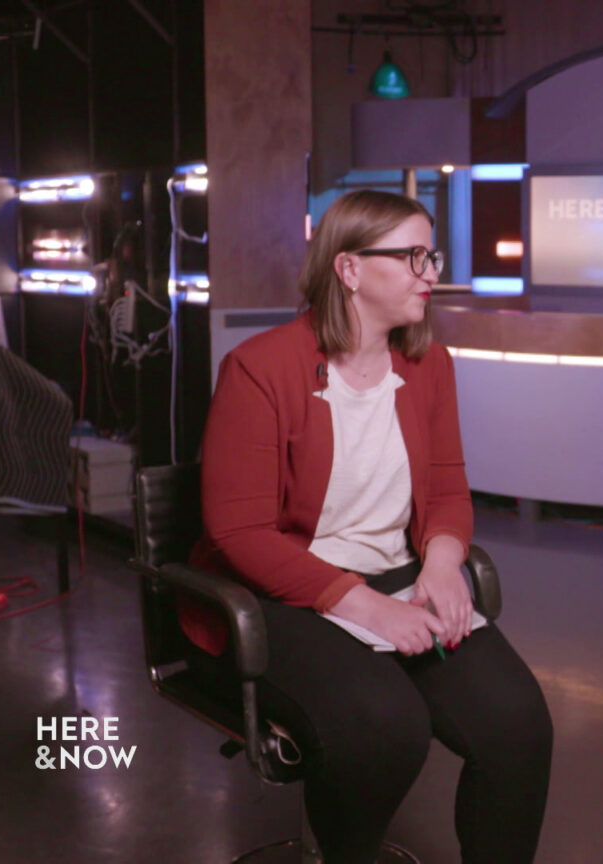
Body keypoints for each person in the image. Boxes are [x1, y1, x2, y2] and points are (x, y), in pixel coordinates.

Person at [190, 189, 552, 864]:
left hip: (398, 579)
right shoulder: (259, 369)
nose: (430, 272)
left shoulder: (428, 364)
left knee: (517, 723)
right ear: (349, 269)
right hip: (287, 592)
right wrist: (368, 608)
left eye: (431, 255)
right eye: (412, 256)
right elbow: (239, 533)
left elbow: (446, 488)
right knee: (385, 727)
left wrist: (443, 564)